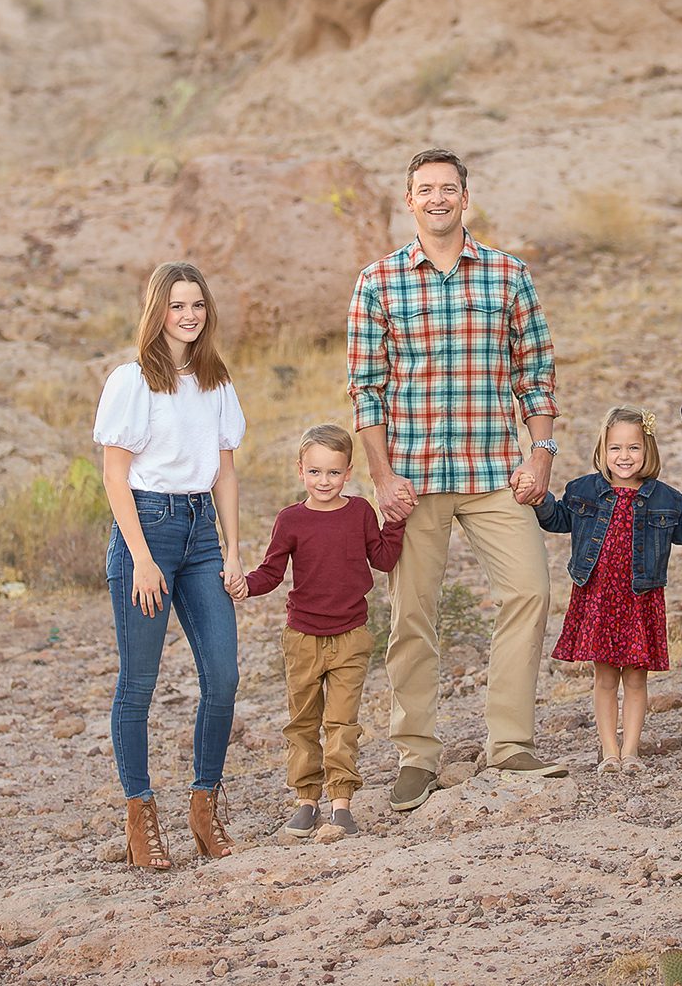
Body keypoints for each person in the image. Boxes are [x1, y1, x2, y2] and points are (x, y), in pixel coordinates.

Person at [346, 148, 565, 812]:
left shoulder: (507, 275)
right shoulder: (378, 281)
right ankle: (416, 754)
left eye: (448, 188)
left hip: (496, 471)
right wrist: (381, 478)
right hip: (413, 479)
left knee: (529, 591)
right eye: (424, 190)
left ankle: (510, 743)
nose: (437, 198)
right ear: (408, 202)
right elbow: (366, 392)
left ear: (466, 198)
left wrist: (541, 457)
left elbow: (537, 375)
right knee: (412, 616)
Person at [93, 261, 246, 869]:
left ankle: (204, 808)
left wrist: (233, 550)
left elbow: (226, 476)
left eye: (198, 306)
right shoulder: (132, 381)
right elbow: (114, 475)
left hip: (202, 534)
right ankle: (141, 820)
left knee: (225, 677)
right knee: (139, 684)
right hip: (147, 531)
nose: (189, 316)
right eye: (177, 306)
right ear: (157, 311)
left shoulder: (216, 381)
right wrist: (141, 559)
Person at [230, 424, 406, 839]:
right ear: (300, 471)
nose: (323, 481)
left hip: (351, 635)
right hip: (303, 638)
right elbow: (272, 572)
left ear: (347, 472)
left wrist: (396, 520)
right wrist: (245, 586)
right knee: (303, 722)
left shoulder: (361, 511)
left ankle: (341, 803)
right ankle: (306, 800)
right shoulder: (290, 520)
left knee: (342, 722)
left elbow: (382, 558)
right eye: (314, 472)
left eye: (332, 473)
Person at [525, 407, 682, 771]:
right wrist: (540, 499)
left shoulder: (664, 497)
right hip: (598, 597)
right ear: (603, 450)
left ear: (648, 451)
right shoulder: (584, 490)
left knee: (636, 679)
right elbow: (560, 521)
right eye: (616, 449)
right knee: (605, 677)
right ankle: (609, 751)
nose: (624, 457)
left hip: (640, 597)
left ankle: (631, 751)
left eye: (633, 448)